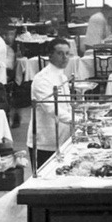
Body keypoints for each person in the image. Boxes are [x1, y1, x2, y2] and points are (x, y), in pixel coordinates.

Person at [30, 37, 75, 167]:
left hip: (63, 138)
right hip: (45, 143)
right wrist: (77, 119)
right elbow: (51, 109)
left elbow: (66, 105)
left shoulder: (63, 76)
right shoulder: (42, 79)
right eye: (60, 53)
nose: (65, 57)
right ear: (50, 55)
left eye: (67, 53)